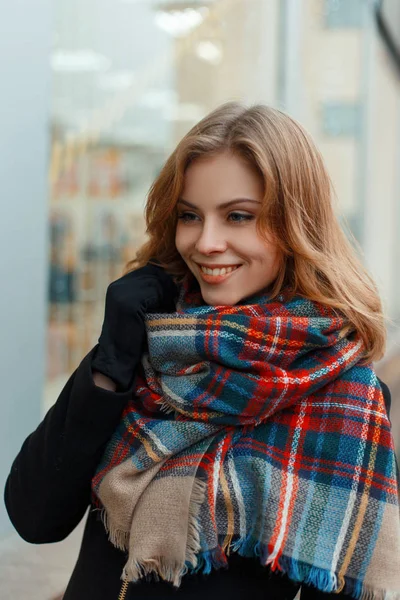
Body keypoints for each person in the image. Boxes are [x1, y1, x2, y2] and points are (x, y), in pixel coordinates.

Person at [4, 103, 400, 600]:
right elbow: (33, 515)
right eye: (190, 216)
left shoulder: (343, 397)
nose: (207, 242)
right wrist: (110, 364)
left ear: (295, 225)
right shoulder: (146, 350)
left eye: (239, 216)